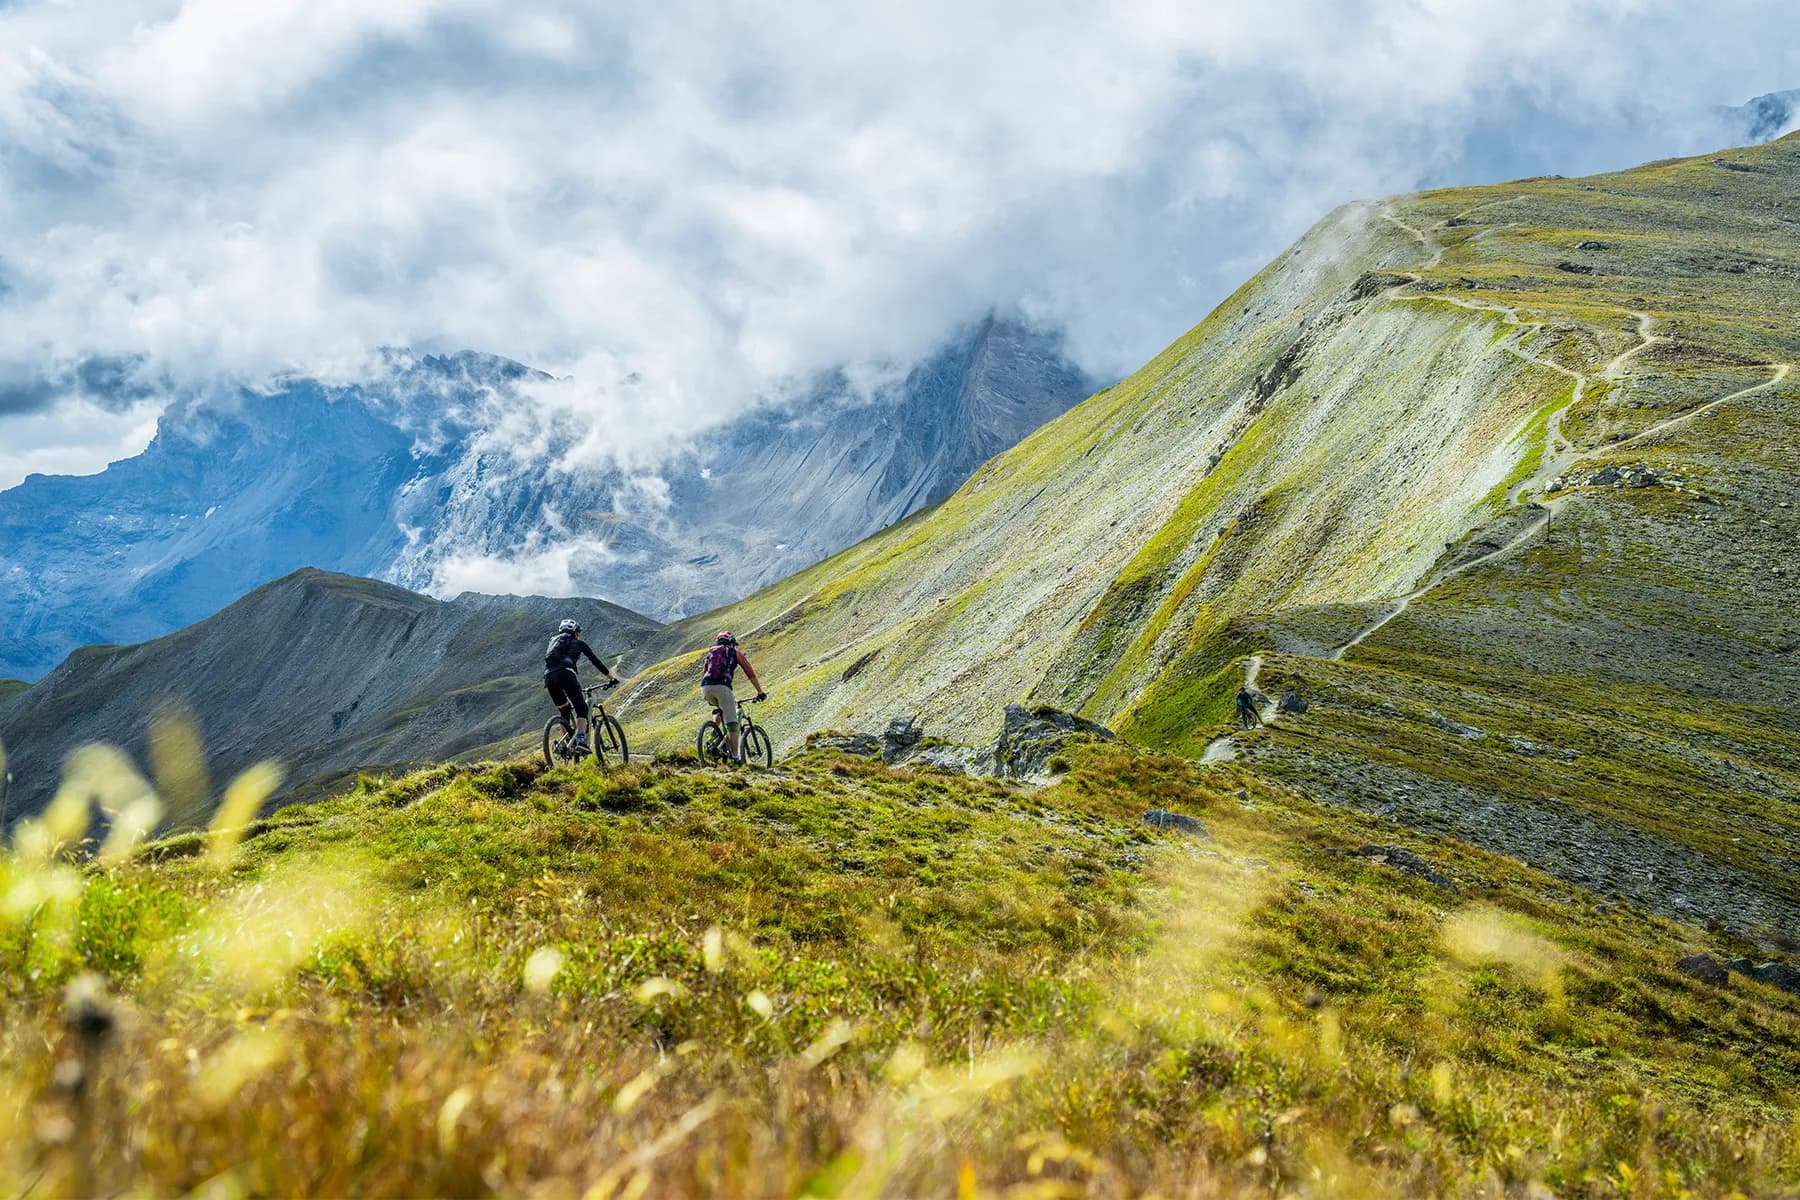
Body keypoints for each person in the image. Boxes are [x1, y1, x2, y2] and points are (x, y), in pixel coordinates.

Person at [544, 618, 618, 751]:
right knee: (581, 708)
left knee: (564, 711)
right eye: (578, 632)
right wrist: (611, 678)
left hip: (549, 677)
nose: (579, 635)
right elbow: (596, 661)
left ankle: (566, 745)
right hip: (566, 674)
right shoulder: (579, 643)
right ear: (575, 632)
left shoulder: (554, 643)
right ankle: (581, 741)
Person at [699, 631, 766, 761]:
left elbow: (705, 673)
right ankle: (735, 758)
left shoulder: (710, 654)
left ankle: (713, 738)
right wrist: (759, 691)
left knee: (720, 708)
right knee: (732, 724)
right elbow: (748, 670)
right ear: (731, 642)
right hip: (723, 688)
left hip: (705, 688)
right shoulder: (734, 652)